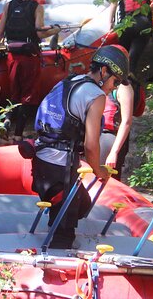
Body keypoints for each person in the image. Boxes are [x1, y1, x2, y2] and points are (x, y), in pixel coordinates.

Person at [32, 45, 129, 249]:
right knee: (65, 228)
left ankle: (55, 232)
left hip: (41, 160)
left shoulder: (70, 81)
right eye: (115, 81)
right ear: (104, 71)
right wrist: (99, 170)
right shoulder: (96, 95)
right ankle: (57, 263)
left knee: (82, 203)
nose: (115, 87)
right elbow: (91, 145)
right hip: (60, 167)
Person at [0, 0, 60, 142]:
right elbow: (40, 31)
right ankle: (18, 135)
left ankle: (6, 122)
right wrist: (55, 30)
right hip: (29, 58)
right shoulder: (37, 7)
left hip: (12, 56)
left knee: (15, 92)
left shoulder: (9, 5)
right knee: (28, 96)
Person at [99, 59, 136, 180]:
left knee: (107, 182)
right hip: (98, 135)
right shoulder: (101, 81)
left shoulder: (124, 87)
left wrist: (114, 152)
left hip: (111, 138)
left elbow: (126, 121)